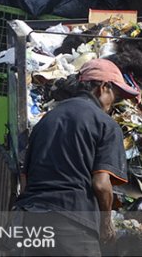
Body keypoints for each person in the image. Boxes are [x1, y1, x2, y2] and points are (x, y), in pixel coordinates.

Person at [13, 58, 139, 256]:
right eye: (114, 97)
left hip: (32, 220)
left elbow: (24, 178)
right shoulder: (105, 124)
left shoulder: (46, 120)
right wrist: (106, 222)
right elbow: (100, 183)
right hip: (72, 224)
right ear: (103, 87)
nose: (112, 105)